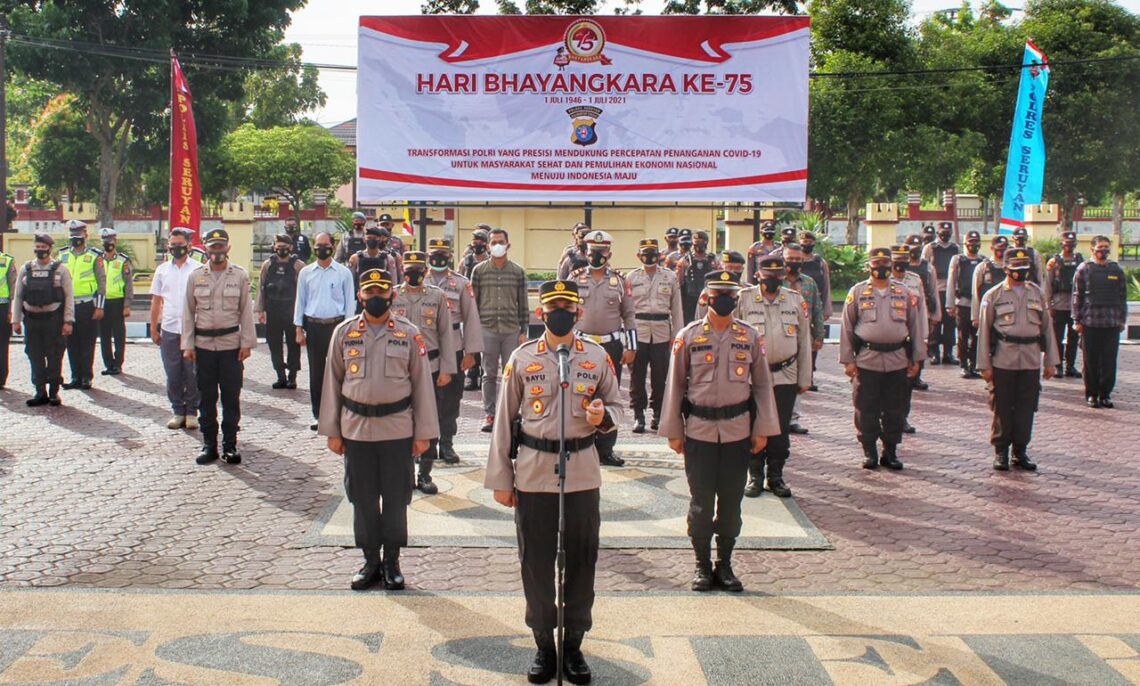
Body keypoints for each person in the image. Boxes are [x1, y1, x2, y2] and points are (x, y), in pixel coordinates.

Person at [484, 279, 623, 685]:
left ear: (577, 312)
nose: (560, 312)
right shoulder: (523, 357)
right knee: (537, 562)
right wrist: (501, 478)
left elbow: (617, 405)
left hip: (581, 470)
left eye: (567, 306)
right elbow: (503, 422)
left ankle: (575, 645)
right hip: (533, 471)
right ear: (541, 313)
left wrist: (604, 418)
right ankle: (544, 644)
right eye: (552, 307)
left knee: (582, 559)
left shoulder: (596, 357)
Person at [659, 270, 779, 592]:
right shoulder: (689, 335)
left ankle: (724, 565)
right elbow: (675, 386)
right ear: (707, 298)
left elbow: (764, 387)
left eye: (730, 294)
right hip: (699, 432)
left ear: (736, 298)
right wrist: (674, 430)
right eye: (718, 294)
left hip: (738, 432)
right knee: (700, 503)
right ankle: (701, 565)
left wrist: (763, 429)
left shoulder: (750, 336)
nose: (724, 299)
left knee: (731, 503)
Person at [320, 268, 439, 592]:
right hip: (356, 431)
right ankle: (370, 561)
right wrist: (332, 429)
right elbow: (331, 382)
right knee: (363, 499)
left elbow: (422, 386)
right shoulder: (344, 333)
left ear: (391, 295)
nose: (375, 298)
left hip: (397, 430)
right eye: (369, 293)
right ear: (361, 296)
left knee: (397, 500)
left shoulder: (409, 333)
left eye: (381, 293)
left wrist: (423, 434)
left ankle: (393, 563)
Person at [838, 248, 923, 471]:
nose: (882, 268)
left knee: (895, 409)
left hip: (897, 360)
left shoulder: (903, 292)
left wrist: (916, 359)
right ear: (869, 266)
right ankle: (869, 451)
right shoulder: (857, 292)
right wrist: (848, 360)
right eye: (877, 264)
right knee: (866, 408)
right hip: (867, 360)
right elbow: (847, 327)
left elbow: (915, 326)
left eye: (886, 263)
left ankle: (890, 452)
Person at [735, 256, 811, 498]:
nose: (772, 279)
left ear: (783, 276)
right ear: (758, 274)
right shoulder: (743, 299)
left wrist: (804, 378)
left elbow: (804, 342)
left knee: (780, 429)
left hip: (785, 375)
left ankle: (775, 476)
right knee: (754, 424)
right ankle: (755, 476)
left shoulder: (795, 300)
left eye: (777, 275)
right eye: (767, 275)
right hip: (752, 376)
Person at [976, 248, 1058, 470]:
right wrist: (984, 365)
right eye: (1016, 269)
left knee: (1026, 407)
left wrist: (1051, 360)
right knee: (1002, 407)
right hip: (1004, 358)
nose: (1020, 274)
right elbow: (983, 332)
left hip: (1030, 359)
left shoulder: (1036, 293)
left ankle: (1020, 451)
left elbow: (1047, 328)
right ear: (1006, 269)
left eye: (1024, 269)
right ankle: (1001, 451)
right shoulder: (993, 295)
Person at [182, 229, 257, 465]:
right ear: (205, 247)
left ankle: (230, 445)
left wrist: (246, 343)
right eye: (213, 246)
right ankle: (209, 445)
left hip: (231, 346)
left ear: (228, 248)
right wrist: (188, 344)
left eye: (221, 246)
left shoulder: (240, 276)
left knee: (231, 397)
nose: (217, 251)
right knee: (206, 397)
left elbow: (246, 311)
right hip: (203, 346)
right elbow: (187, 312)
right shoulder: (195, 277)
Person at [569, 230, 636, 467]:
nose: (597, 256)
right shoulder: (575, 277)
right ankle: (581, 443)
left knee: (609, 395)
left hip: (611, 346)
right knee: (580, 392)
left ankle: (606, 449)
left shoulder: (620, 280)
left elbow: (629, 315)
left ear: (609, 253)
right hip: (581, 345)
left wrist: (631, 347)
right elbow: (567, 310)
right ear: (586, 252)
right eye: (593, 252)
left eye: (602, 252)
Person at [393, 250, 455, 494]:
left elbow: (446, 334)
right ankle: (406, 473)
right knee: (403, 421)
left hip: (431, 366)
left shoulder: (437, 296)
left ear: (426, 272)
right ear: (403, 272)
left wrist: (447, 369)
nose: (414, 275)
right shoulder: (393, 295)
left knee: (429, 420)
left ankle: (425, 474)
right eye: (409, 272)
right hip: (401, 369)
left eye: (418, 271)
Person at [426, 238, 483, 464]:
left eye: (443, 253)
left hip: (455, 345)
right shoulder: (420, 280)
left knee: (451, 398)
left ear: (450, 256)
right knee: (425, 399)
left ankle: (447, 443)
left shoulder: (461, 283)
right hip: (427, 346)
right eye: (435, 253)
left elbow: (471, 318)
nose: (439, 257)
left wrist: (471, 353)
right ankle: (427, 444)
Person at [470, 228, 530, 433]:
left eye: (500, 241)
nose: (497, 245)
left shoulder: (517, 272)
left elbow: (523, 304)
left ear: (508, 245)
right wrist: (473, 332)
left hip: (511, 329)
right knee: (488, 374)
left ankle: (511, 413)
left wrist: (524, 331)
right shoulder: (478, 271)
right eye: (493, 241)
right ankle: (490, 414)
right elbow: (472, 305)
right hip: (486, 329)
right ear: (487, 245)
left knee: (511, 374)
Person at [295, 233, 356, 431]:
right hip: (313, 326)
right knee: (316, 371)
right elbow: (300, 301)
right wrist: (298, 329)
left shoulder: (343, 272)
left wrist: (348, 329)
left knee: (340, 370)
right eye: (318, 245)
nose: (322, 248)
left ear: (332, 246)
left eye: (326, 245)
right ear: (313, 247)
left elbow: (350, 303)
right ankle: (318, 414)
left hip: (337, 327)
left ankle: (339, 412)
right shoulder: (306, 272)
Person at [626, 238, 683, 434]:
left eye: (653, 253)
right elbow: (625, 310)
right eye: (645, 253)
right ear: (638, 255)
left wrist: (677, 335)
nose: (649, 256)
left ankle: (657, 414)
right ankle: (638, 415)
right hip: (638, 330)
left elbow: (676, 308)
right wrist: (626, 337)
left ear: (659, 255)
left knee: (661, 376)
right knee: (636, 376)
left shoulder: (670, 277)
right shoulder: (631, 278)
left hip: (661, 331)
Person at [12, 234, 73, 406]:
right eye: (37, 247)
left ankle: (54, 392)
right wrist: (16, 320)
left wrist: (68, 321)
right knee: (34, 356)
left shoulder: (61, 270)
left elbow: (69, 297)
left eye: (43, 248)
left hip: (54, 320)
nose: (40, 251)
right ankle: (40, 392)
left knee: (54, 355)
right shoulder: (27, 269)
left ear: (50, 248)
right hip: (32, 321)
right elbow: (18, 296)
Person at [150, 228, 201, 430]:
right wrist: (154, 328)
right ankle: (178, 410)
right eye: (172, 245)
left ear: (189, 245)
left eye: (180, 245)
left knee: (192, 372)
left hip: (193, 329)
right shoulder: (162, 270)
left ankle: (191, 412)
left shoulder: (198, 269)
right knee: (173, 372)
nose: (176, 249)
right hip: (170, 328)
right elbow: (156, 301)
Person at [1073, 235, 1127, 409]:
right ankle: (1092, 394)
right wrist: (1077, 320)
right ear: (1092, 249)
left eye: (1106, 247)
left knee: (1109, 361)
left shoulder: (1116, 270)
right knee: (1091, 362)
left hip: (1111, 323)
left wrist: (1122, 320)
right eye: (1100, 247)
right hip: (1090, 322)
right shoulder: (1084, 269)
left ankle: (1105, 394)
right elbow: (1077, 296)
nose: (1103, 251)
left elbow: (1122, 297)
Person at [781, 243, 825, 432]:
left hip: (803, 335)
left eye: (798, 259)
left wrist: (820, 335)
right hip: (780, 335)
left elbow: (817, 309)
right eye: (790, 258)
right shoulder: (776, 280)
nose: (794, 262)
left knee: (800, 376)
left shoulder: (809, 282)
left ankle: (793, 419)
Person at [59, 220, 105, 390]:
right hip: (69, 306)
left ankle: (86, 376)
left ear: (85, 235)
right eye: (72, 236)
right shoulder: (62, 255)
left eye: (78, 235)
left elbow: (101, 283)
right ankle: (75, 376)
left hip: (88, 305)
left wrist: (99, 307)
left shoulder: (95, 255)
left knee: (87, 342)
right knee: (71, 343)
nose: (75, 239)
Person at [256, 233, 305, 389]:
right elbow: (261, 287)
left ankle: (292, 376)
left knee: (293, 344)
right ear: (274, 247)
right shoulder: (267, 264)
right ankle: (280, 375)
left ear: (290, 247)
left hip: (292, 311)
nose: (281, 249)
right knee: (274, 344)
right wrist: (260, 310)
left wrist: (302, 313)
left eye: (284, 247)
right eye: (278, 246)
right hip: (273, 310)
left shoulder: (298, 265)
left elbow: (304, 292)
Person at [891, 244, 931, 435]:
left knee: (906, 384)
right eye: (897, 260)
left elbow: (921, 310)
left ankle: (902, 418)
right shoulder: (880, 280)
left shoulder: (915, 280)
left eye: (904, 260)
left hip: (908, 339)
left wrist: (922, 337)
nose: (901, 263)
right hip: (888, 340)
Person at [945, 230, 985, 379]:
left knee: (977, 337)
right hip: (963, 303)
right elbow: (951, 282)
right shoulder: (958, 260)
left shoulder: (984, 261)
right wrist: (950, 305)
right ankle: (963, 365)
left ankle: (973, 365)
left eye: (976, 243)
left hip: (979, 304)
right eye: (971, 243)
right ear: (965, 244)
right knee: (963, 335)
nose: (973, 245)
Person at [1045, 230, 1083, 378]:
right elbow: (1047, 285)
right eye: (1067, 244)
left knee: (1073, 338)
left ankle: (1070, 366)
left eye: (1072, 244)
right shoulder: (1054, 262)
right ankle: (1058, 366)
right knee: (1057, 338)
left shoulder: (1080, 260)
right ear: (1061, 244)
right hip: (1058, 306)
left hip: (1074, 306)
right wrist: (1049, 306)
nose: (1069, 247)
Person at [95, 228, 133, 376]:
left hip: (118, 302)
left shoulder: (122, 260)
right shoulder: (97, 260)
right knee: (104, 335)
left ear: (115, 241)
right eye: (105, 241)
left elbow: (128, 283)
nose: (107, 244)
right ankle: (108, 364)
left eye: (110, 240)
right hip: (102, 302)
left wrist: (127, 305)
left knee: (118, 334)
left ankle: (118, 364)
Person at [903, 234, 939, 390]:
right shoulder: (902, 267)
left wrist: (935, 313)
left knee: (920, 344)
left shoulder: (927, 267)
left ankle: (917, 377)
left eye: (917, 248)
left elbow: (932, 290)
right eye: (912, 248)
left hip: (920, 312)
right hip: (901, 316)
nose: (915, 252)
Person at [922, 221, 960, 365]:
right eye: (943, 233)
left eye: (948, 233)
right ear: (938, 234)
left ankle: (948, 352)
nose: (946, 236)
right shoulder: (930, 248)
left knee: (950, 322)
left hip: (950, 289)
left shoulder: (955, 248)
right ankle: (933, 352)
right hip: (935, 289)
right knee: (935, 322)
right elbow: (924, 268)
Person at [676, 230, 720, 324]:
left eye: (701, 242)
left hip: (708, 298)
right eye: (696, 242)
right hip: (689, 299)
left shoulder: (713, 260)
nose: (698, 245)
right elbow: (679, 283)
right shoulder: (685, 260)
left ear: (706, 242)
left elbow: (719, 279)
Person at [349, 226, 404, 299]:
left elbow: (393, 283)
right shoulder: (355, 258)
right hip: (362, 296)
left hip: (382, 296)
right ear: (364, 239)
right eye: (369, 238)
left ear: (380, 239)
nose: (371, 240)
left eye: (374, 238)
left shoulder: (388, 258)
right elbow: (349, 282)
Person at [694, 250, 745, 319]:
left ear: (742, 269)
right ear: (721, 267)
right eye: (729, 268)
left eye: (737, 269)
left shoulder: (748, 291)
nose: (733, 271)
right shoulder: (709, 291)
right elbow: (700, 318)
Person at [971, 235, 1009, 327]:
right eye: (999, 248)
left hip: (1007, 310)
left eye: (1005, 248)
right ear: (992, 248)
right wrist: (975, 317)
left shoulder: (1010, 267)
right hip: (988, 310)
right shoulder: (983, 267)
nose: (1002, 250)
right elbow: (975, 293)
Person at [0, 246, 14, 389]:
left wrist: (11, 311)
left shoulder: (7, 261)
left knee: (2, 345)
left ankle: (1, 377)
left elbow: (13, 288)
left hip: (2, 308)